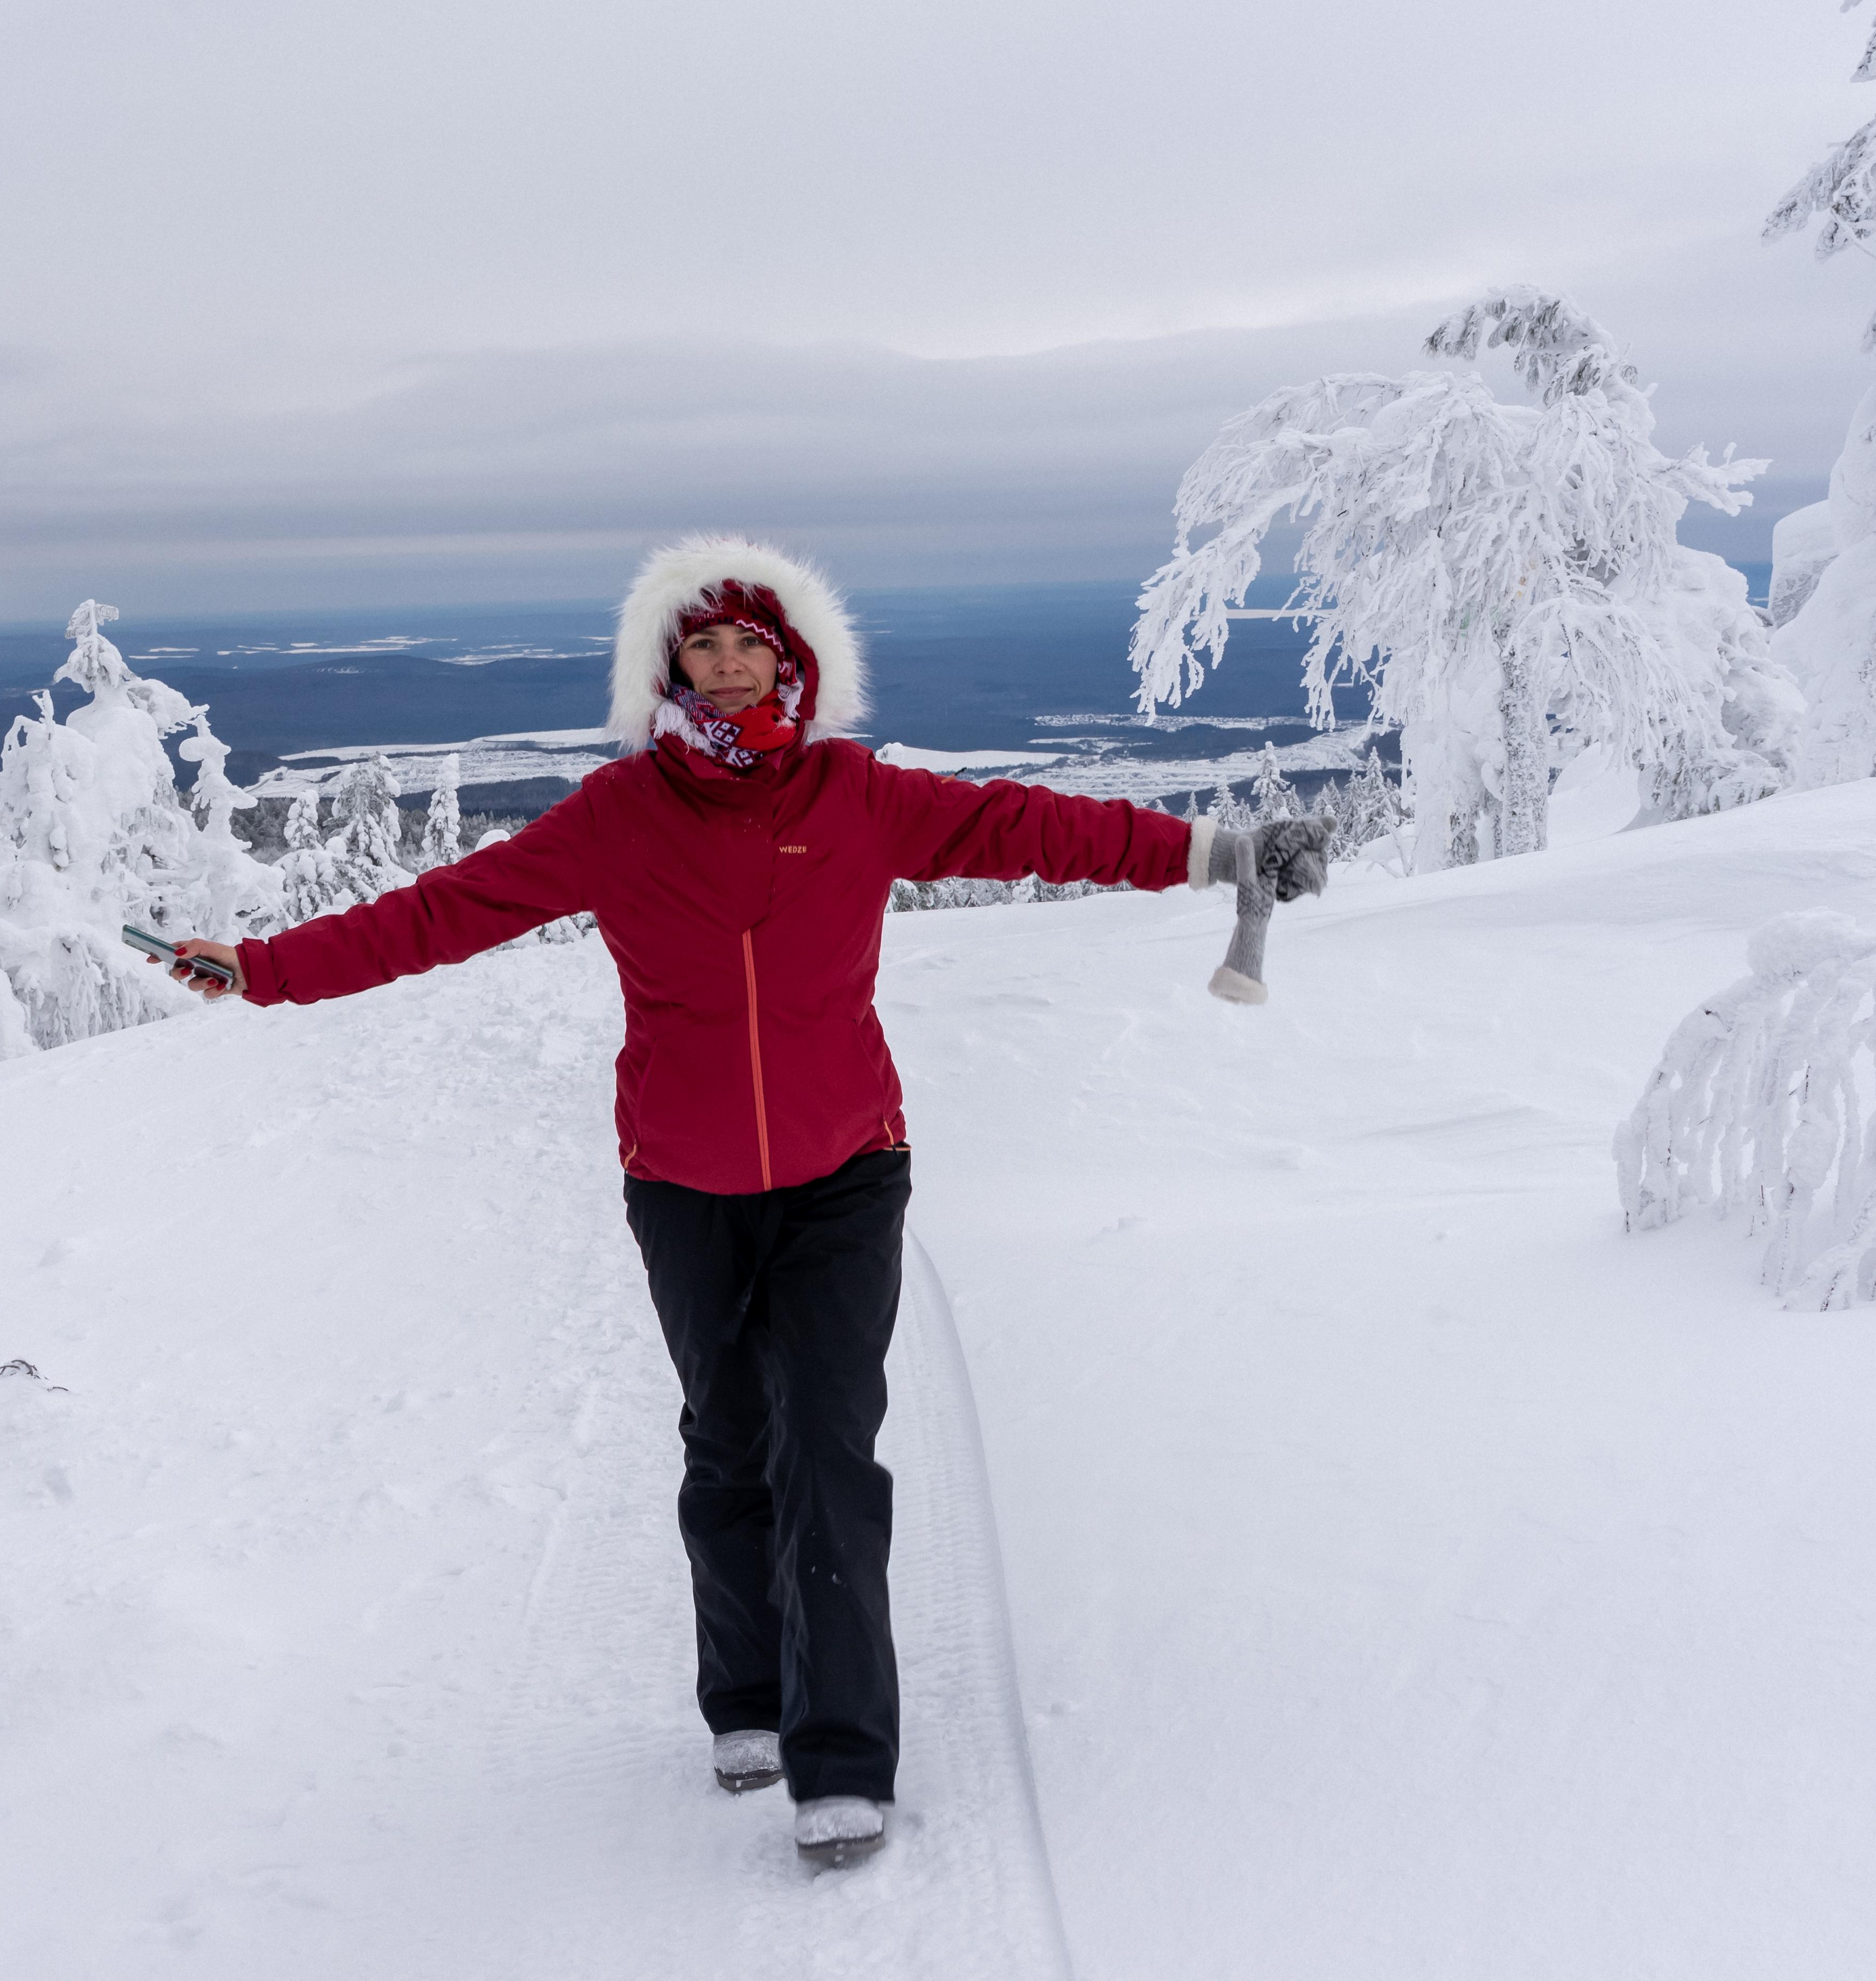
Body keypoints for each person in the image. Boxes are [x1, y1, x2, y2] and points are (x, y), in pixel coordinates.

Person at [161, 535, 1312, 1867]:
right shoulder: (618, 814)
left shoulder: (856, 791)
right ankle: (748, 1701)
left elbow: (1034, 822)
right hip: (685, 1184)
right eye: (700, 649)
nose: (724, 666)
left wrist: (1218, 849)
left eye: (747, 646)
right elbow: (446, 909)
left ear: (792, 662)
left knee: (826, 1450)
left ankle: (842, 1759)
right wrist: (263, 968)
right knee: (727, 1439)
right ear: (670, 670)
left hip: (845, 1174)